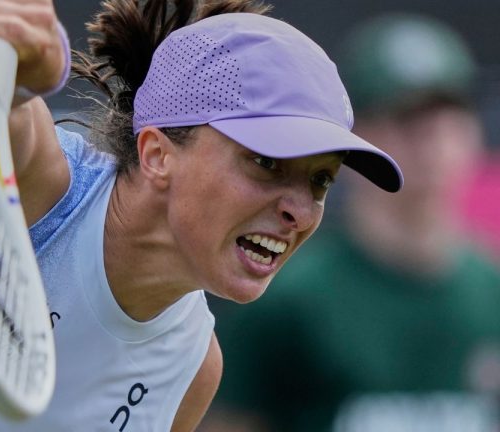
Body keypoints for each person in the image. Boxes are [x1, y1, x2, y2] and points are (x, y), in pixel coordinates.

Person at [0, 1, 403, 431]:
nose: (298, 208)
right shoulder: (38, 180)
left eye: (319, 181)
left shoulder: (193, 370)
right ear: (158, 153)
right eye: (267, 163)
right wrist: (14, 58)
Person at [204, 13, 500, 432]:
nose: (434, 142)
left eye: (449, 119)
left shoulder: (492, 291)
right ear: (357, 138)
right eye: (407, 120)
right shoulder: (291, 299)